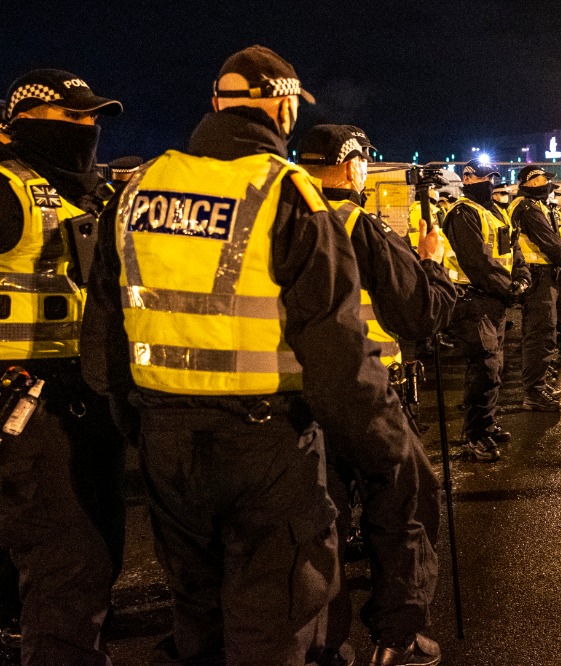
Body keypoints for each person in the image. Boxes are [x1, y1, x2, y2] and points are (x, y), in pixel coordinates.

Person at [82, 46, 441, 665]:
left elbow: (104, 340)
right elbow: (335, 354)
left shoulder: (139, 188)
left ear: (217, 103)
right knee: (273, 625)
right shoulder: (286, 194)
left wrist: (140, 428)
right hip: (264, 445)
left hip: (167, 443)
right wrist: (387, 448)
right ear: (283, 108)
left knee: (200, 620)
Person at [297, 124, 457, 665]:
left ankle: (324, 643)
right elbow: (420, 312)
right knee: (405, 509)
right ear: (352, 167)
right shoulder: (357, 226)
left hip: (300, 401)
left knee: (324, 526)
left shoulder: (278, 223)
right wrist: (432, 262)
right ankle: (397, 635)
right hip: (370, 395)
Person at [0, 68, 126, 665]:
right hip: (25, 400)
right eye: (73, 118)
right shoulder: (6, 186)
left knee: (73, 555)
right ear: (26, 121)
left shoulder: (89, 194)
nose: (87, 129)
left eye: (92, 118)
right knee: (70, 566)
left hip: (82, 393)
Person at [444, 159, 529, 461]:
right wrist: (510, 289)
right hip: (471, 299)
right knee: (485, 366)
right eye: (483, 177)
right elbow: (477, 262)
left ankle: (487, 424)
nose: (489, 182)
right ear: (466, 179)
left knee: (496, 365)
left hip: (495, 301)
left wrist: (522, 277)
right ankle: (474, 435)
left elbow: (512, 252)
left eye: (492, 177)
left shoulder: (496, 212)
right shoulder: (462, 213)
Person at [509, 165, 561, 410]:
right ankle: (534, 392)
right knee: (540, 334)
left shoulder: (535, 206)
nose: (548, 184)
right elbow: (549, 242)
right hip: (537, 276)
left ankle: (539, 383)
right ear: (533, 181)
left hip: (544, 275)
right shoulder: (526, 208)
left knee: (545, 332)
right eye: (543, 180)